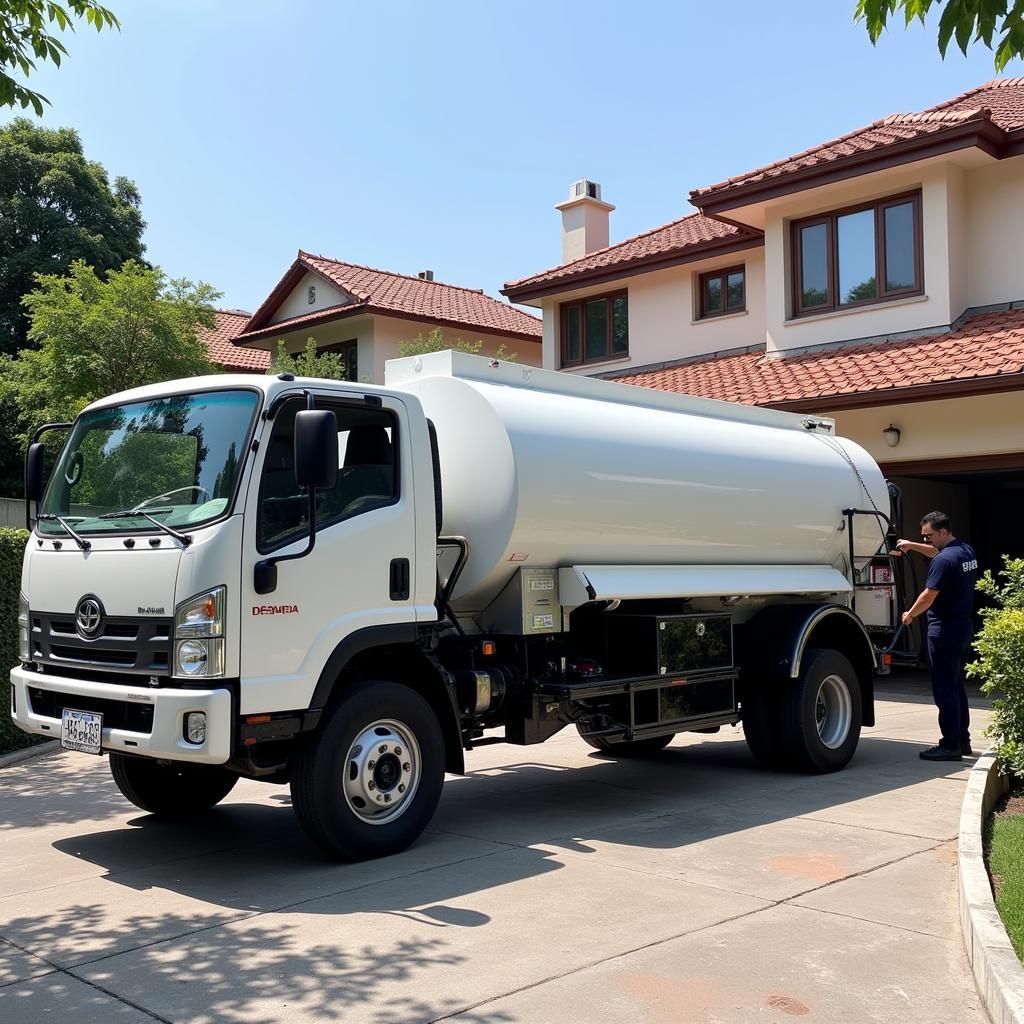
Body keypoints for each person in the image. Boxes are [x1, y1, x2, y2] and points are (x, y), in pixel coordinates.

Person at [895, 511, 979, 761]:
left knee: (944, 689)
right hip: (963, 627)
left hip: (943, 630)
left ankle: (949, 744)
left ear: (943, 532)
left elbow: (928, 596)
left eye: (929, 536)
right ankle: (962, 741)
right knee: (956, 687)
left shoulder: (943, 561)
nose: (927, 540)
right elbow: (938, 553)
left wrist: (910, 614)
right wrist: (912, 546)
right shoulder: (965, 551)